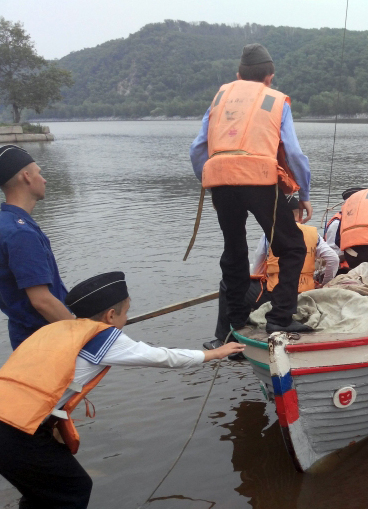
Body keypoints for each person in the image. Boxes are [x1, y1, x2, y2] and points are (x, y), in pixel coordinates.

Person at [0, 272, 243, 509]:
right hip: (15, 428)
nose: (126, 319)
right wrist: (213, 353)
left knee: (43, 490)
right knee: (73, 489)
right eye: (126, 312)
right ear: (110, 315)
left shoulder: (56, 329)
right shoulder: (106, 339)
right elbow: (162, 357)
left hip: (14, 417)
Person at [189, 43, 312, 334]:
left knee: (234, 250)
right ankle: (280, 318)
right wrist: (304, 194)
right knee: (292, 246)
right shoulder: (275, 100)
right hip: (258, 179)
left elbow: (197, 149)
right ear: (270, 76)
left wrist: (209, 180)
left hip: (220, 180)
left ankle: (236, 322)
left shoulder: (221, 98)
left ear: (238, 76)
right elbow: (294, 154)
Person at [206, 196, 339, 352]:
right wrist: (324, 284)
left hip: (275, 295)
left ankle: (225, 339)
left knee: (230, 284)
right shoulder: (312, 234)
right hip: (306, 292)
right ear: (300, 214)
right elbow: (333, 259)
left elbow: (257, 266)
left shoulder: (270, 234)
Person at [0, 145, 72, 349]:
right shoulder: (20, 233)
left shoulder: (5, 223)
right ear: (26, 176)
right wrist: (79, 332)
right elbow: (42, 301)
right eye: (39, 173)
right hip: (44, 344)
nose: (44, 179)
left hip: (24, 340)